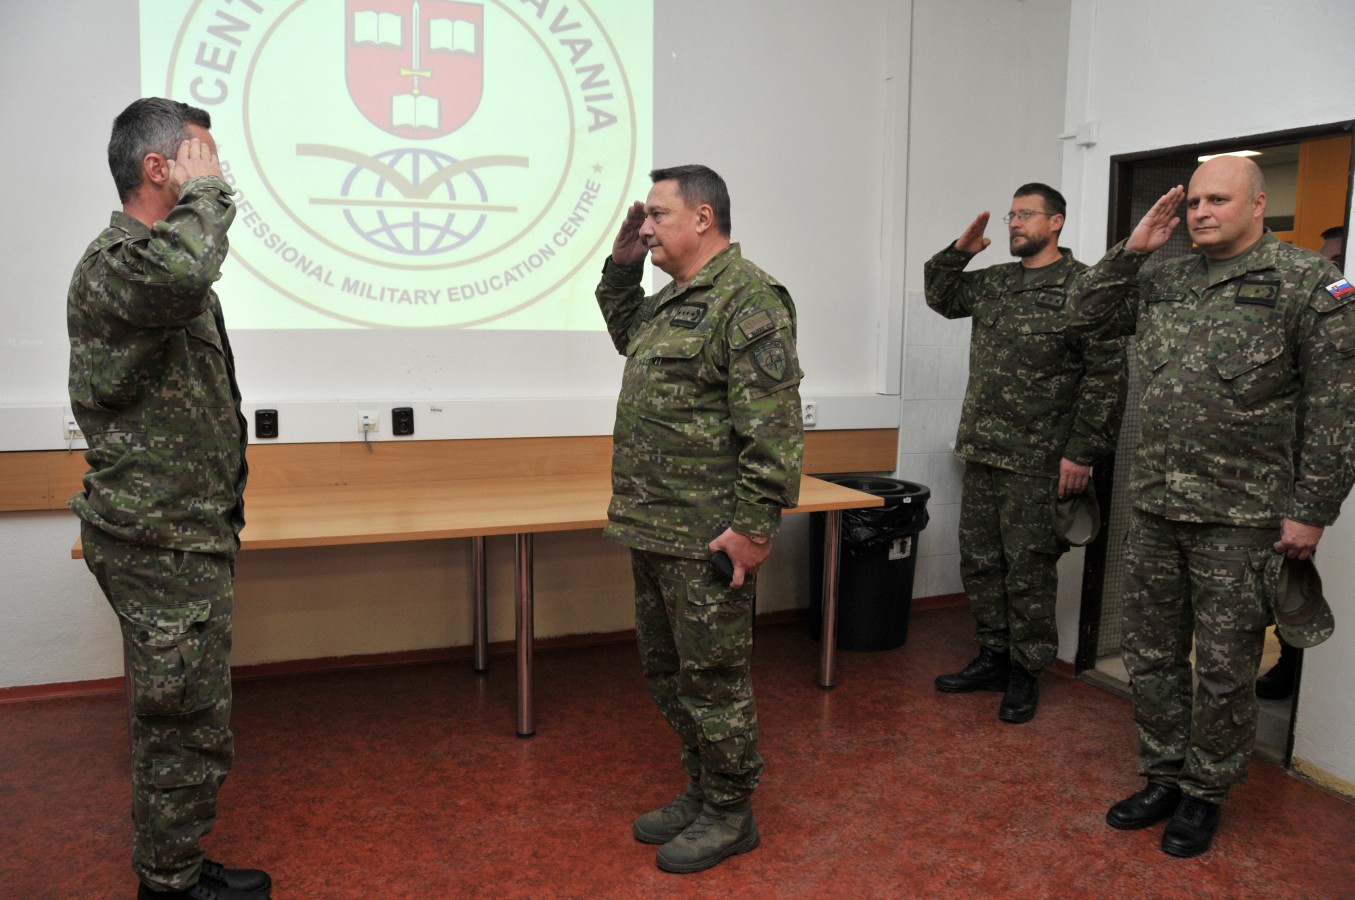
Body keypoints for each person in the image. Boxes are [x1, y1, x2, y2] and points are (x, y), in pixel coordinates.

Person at [1074, 156, 1355, 858]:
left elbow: (1337, 408)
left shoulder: (1309, 283)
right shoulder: (1163, 278)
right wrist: (1132, 249)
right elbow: (1080, 316)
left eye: (1218, 200)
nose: (1201, 212)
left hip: (1243, 517)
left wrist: (1312, 509)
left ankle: (1204, 792)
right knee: (1149, 653)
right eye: (1194, 201)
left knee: (1225, 668)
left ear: (1258, 204)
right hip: (1154, 506)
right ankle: (1163, 773)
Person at [68, 98, 270, 899]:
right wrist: (209, 194)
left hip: (181, 533)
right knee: (181, 721)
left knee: (185, 717)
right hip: (158, 541)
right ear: (159, 168)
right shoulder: (121, 265)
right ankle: (170, 884)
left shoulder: (153, 265)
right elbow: (189, 269)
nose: (216, 172)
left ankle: (175, 863)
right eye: (201, 158)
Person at [594, 164, 803, 874]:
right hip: (653, 524)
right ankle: (703, 786)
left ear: (703, 217)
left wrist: (754, 528)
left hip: (708, 535)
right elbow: (624, 331)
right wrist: (623, 265)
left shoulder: (749, 300)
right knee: (668, 673)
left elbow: (773, 429)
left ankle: (731, 811)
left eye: (657, 215)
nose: (646, 226)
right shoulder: (670, 301)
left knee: (713, 680)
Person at [925, 184, 1127, 723]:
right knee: (981, 561)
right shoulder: (996, 282)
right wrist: (960, 250)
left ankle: (1025, 670)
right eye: (1011, 215)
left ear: (1056, 222)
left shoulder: (1085, 287)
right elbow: (940, 296)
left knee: (1029, 571)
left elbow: (1106, 378)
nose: (1015, 223)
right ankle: (993, 656)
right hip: (984, 450)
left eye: (1026, 214)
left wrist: (1082, 453)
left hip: (1040, 460)